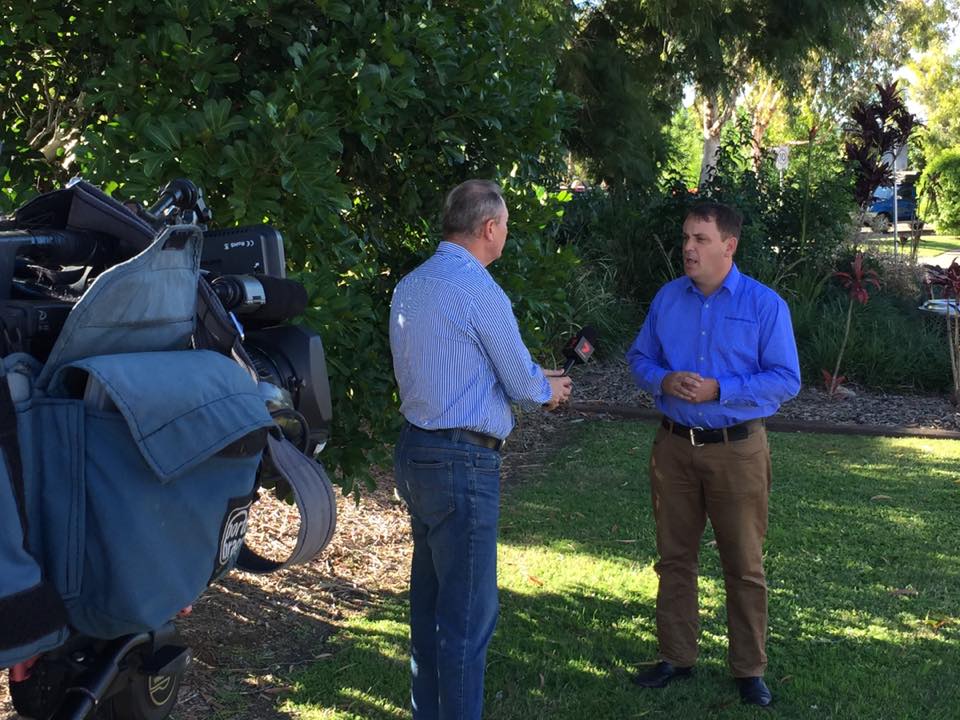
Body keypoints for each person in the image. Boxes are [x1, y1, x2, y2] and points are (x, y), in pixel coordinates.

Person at [389, 179, 573, 720]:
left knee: (428, 611)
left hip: (415, 453)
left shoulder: (411, 285)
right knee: (468, 621)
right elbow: (519, 380)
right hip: (461, 464)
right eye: (507, 225)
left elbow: (460, 368)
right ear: (489, 228)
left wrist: (532, 379)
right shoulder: (478, 290)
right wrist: (550, 388)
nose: (507, 234)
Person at [625, 201, 800, 707]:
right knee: (674, 559)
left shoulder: (766, 306)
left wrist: (720, 388)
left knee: (743, 565)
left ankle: (749, 670)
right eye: (685, 238)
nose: (688, 248)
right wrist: (662, 378)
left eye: (700, 239)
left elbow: (786, 379)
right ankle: (676, 657)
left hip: (737, 451)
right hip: (674, 449)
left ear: (729, 246)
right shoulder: (667, 299)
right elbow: (639, 357)